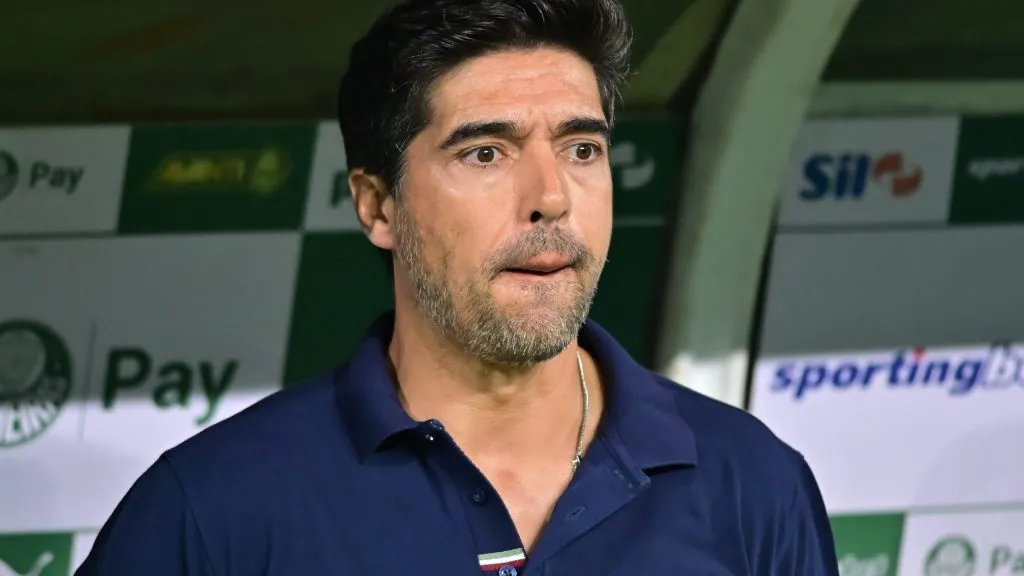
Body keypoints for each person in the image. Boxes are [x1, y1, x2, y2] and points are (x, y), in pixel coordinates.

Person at [76, 0, 839, 574]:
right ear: (378, 205)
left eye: (581, 148)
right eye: (485, 154)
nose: (550, 196)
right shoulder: (213, 510)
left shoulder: (751, 483)